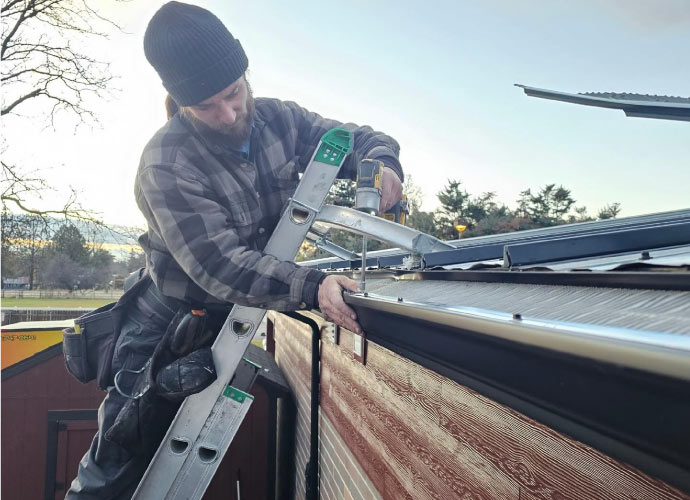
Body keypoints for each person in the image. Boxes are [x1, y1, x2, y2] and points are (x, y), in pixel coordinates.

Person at [67, 2, 403, 498]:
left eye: (233, 93)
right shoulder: (166, 162)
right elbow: (217, 265)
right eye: (206, 106)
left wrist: (381, 162)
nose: (227, 114)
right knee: (116, 470)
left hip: (232, 315)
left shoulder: (280, 120)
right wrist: (313, 286)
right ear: (178, 101)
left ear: (245, 75)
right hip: (164, 325)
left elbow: (355, 139)